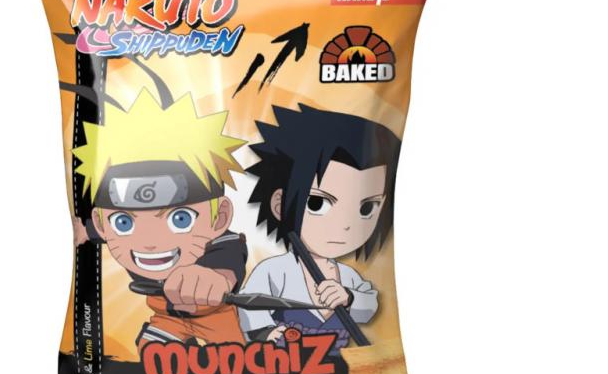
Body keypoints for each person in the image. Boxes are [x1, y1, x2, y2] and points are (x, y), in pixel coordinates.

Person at [72, 88, 247, 348]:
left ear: (220, 218)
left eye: (180, 219)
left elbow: (228, 263)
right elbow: (96, 230)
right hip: (167, 316)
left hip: (215, 316)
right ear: (101, 223)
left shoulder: (223, 244)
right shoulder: (102, 228)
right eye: (124, 222)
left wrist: (214, 278)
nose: (150, 242)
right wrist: (82, 231)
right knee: (151, 350)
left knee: (233, 358)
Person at [240, 104, 401, 353]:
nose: (345, 224)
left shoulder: (347, 276)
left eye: (367, 207)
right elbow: (250, 305)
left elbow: (369, 306)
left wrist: (349, 297)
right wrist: (265, 333)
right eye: (318, 203)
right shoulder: (274, 271)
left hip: (337, 359)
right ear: (280, 204)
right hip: (287, 360)